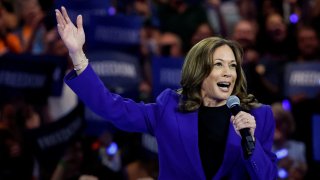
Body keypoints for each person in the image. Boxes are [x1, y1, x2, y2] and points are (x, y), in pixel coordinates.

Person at [55, 6, 277, 179]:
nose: (228, 72)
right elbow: (112, 108)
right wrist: (77, 56)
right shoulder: (169, 109)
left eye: (233, 66)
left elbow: (267, 177)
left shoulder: (258, 117)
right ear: (199, 71)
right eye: (219, 64)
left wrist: (251, 143)